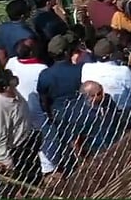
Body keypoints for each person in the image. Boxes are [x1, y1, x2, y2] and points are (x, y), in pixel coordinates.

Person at [3, 39, 55, 177]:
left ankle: (28, 168)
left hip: (17, 107)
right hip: (35, 108)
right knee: (46, 137)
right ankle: (47, 168)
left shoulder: (11, 62)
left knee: (22, 138)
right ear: (31, 52)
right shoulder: (41, 69)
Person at [36, 33, 85, 174]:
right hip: (81, 110)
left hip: (59, 114)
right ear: (66, 52)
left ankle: (72, 171)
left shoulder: (45, 75)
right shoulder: (80, 69)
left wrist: (49, 113)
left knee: (66, 145)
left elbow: (43, 98)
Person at [0, 69, 40, 182]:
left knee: (35, 169)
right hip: (17, 149)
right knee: (25, 179)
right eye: (11, 79)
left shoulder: (12, 92)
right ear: (5, 88)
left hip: (28, 138)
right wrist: (7, 163)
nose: (15, 79)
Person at [67, 81, 126, 162]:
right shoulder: (79, 113)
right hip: (95, 151)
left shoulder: (108, 101)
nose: (103, 94)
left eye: (102, 90)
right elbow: (75, 140)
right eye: (99, 93)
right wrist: (82, 159)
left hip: (114, 142)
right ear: (90, 96)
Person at [79, 39, 131, 112]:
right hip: (123, 110)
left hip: (95, 109)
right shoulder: (123, 71)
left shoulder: (86, 68)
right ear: (111, 55)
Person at [0, 0, 36, 65]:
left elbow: (0, 51)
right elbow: (33, 55)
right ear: (22, 16)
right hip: (24, 65)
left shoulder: (1, 28)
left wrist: (6, 67)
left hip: (11, 65)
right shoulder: (28, 34)